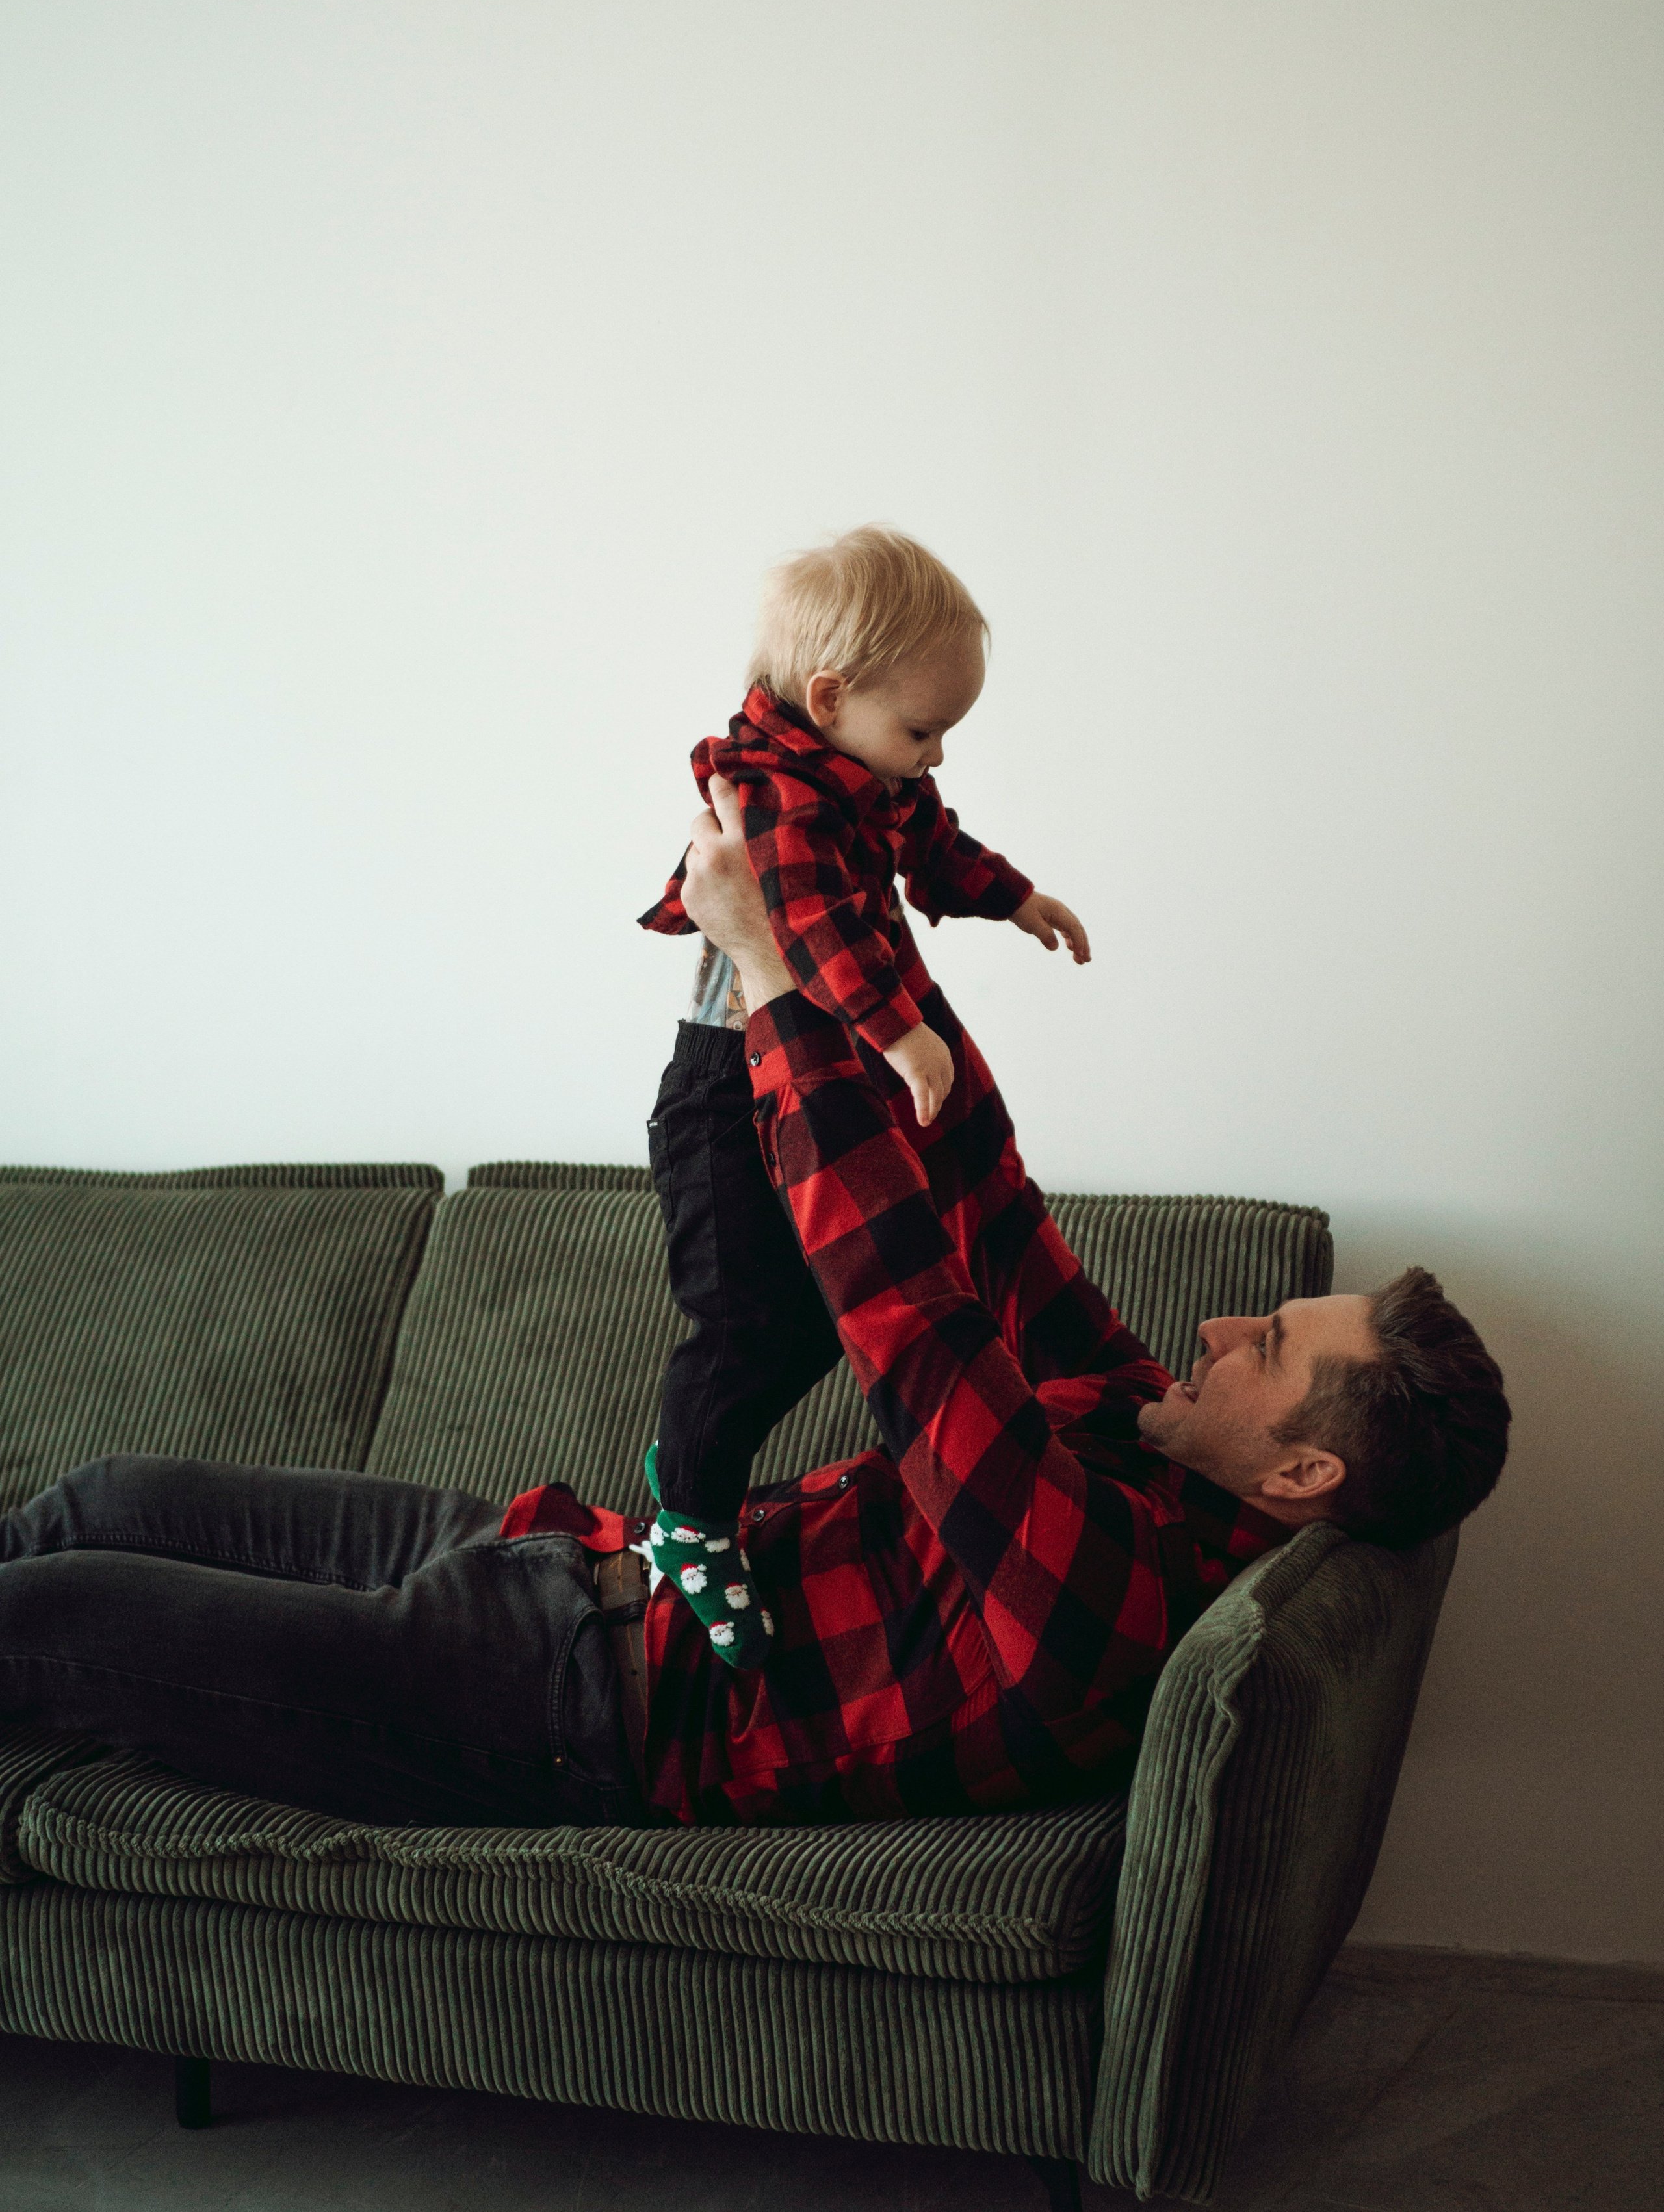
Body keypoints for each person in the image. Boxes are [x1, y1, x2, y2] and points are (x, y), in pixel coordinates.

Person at [0, 784, 1511, 1833]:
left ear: (1304, 1469)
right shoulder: (1137, 1434)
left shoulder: (1116, 1599)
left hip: (558, 1699)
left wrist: (772, 973)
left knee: (44, 1621)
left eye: (1271, 1344)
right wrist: (875, 974)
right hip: (554, 1550)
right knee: (93, 1497)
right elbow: (989, 1208)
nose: (1221, 1329)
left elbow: (910, 1322)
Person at [637, 526, 1096, 1665]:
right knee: (748, 1320)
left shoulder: (867, 774)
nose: (933, 758)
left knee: (824, 1313)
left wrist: (1018, 896)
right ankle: (686, 1513)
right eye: (923, 730)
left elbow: (932, 845)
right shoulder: (772, 799)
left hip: (798, 1077)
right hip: (722, 1099)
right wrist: (901, 1031)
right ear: (832, 695)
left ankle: (695, 1488)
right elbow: (816, 930)